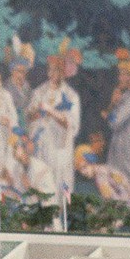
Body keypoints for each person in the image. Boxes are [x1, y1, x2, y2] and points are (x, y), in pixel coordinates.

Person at [26, 47, 81, 202]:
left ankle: (59, 217)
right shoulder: (39, 92)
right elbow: (29, 116)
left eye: (56, 71)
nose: (52, 74)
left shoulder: (71, 96)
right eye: (50, 70)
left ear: (63, 73)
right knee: (40, 178)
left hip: (59, 148)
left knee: (59, 180)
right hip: (41, 145)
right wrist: (37, 112)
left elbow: (71, 124)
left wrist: (51, 111)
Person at [103, 48, 130, 200]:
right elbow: (110, 117)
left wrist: (113, 106)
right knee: (117, 181)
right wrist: (113, 104)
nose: (120, 78)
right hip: (121, 146)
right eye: (120, 74)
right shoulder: (127, 95)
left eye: (123, 74)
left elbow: (114, 121)